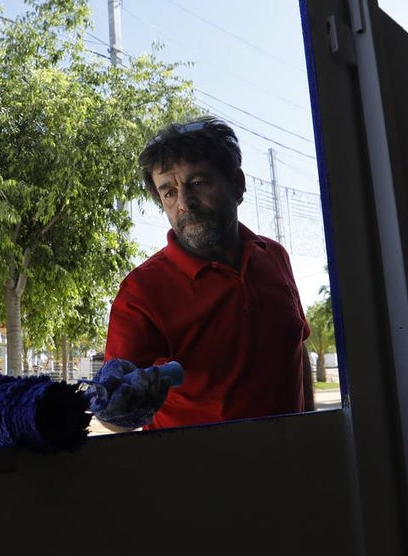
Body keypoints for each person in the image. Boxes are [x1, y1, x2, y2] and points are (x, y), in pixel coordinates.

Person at [100, 115, 314, 431]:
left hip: (294, 467)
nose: (184, 203)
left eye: (198, 182)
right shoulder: (142, 291)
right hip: (195, 476)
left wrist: (313, 429)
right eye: (168, 192)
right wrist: (124, 404)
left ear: (238, 185)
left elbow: (298, 351)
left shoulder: (274, 258)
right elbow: (114, 418)